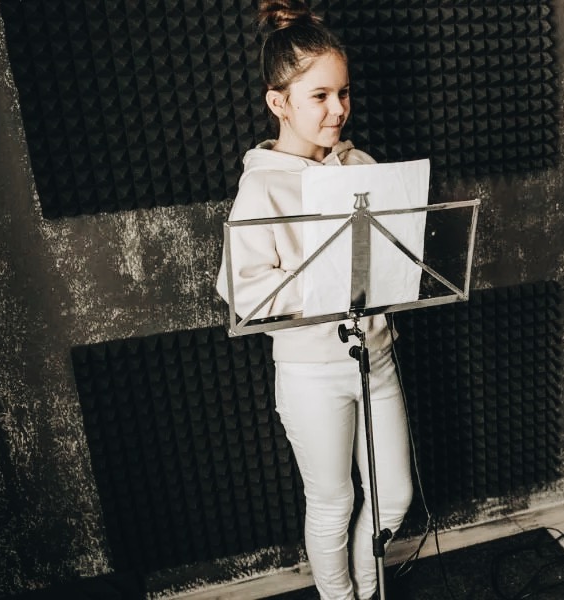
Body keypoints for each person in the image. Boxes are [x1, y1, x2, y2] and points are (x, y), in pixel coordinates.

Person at [215, 2, 412, 598]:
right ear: (279, 103)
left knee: (394, 496)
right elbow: (242, 290)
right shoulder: (261, 185)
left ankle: (368, 588)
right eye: (320, 96)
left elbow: (388, 260)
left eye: (343, 93)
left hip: (376, 359)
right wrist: (321, 282)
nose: (338, 109)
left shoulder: (362, 165)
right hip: (311, 373)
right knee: (333, 502)